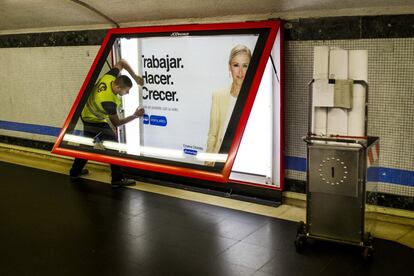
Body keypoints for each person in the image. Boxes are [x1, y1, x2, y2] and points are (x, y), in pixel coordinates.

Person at [69, 59, 145, 187]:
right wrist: (135, 116)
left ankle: (74, 172)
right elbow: (117, 123)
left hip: (87, 113)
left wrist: (136, 77)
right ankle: (117, 179)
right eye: (126, 90)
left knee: (87, 144)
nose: (127, 93)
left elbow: (122, 62)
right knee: (114, 146)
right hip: (94, 120)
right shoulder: (108, 101)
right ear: (117, 87)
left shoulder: (109, 77)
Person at [206, 44, 252, 158]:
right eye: (236, 65)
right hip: (221, 160)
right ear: (229, 67)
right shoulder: (218, 96)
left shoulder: (257, 98)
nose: (240, 72)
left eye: (245, 66)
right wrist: (208, 160)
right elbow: (213, 134)